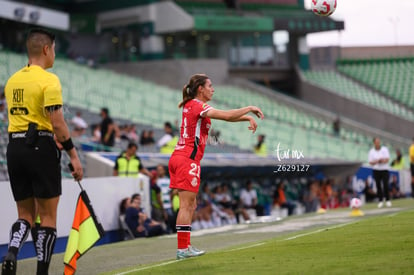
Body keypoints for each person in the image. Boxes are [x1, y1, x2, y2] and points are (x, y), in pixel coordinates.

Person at [1, 28, 83, 275]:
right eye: (55, 49)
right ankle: (42, 273)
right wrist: (73, 155)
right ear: (47, 49)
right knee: (48, 217)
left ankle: (12, 252)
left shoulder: (12, 80)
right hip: (41, 147)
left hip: (14, 148)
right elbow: (57, 122)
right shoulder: (49, 79)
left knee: (25, 214)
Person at [168, 74, 264, 259]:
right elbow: (227, 115)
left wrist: (245, 118)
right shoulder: (197, 105)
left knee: (190, 204)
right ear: (200, 89)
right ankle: (182, 249)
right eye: (210, 86)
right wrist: (250, 109)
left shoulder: (192, 105)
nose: (213, 89)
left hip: (180, 158)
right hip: (187, 159)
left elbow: (226, 118)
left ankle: (185, 246)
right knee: (186, 206)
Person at [368, 137, 391, 208]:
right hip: (376, 170)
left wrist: (382, 161)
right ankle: (380, 200)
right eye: (376, 142)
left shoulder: (384, 149)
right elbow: (370, 162)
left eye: (379, 142)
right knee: (378, 186)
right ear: (374, 143)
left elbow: (387, 159)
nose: (378, 143)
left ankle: (387, 200)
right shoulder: (371, 151)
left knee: (385, 185)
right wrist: (377, 161)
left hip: (384, 169)